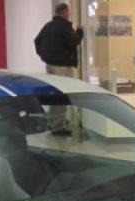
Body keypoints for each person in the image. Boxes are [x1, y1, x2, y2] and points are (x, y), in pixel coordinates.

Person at [35, 3, 84, 134]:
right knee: (62, 96)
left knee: (55, 95)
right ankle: (57, 127)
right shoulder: (63, 27)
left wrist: (44, 56)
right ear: (64, 12)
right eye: (68, 12)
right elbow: (73, 41)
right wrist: (79, 32)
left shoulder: (48, 26)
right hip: (62, 67)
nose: (69, 14)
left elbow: (37, 41)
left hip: (50, 65)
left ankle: (53, 122)